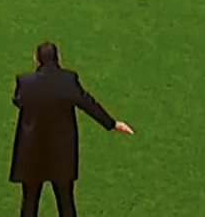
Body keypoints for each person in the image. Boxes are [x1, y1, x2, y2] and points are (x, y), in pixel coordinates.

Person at [10, 41, 133, 217]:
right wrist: (112, 123)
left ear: (37, 60)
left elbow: (18, 100)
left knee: (29, 202)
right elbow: (88, 103)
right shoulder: (68, 80)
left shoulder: (25, 82)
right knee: (66, 202)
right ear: (58, 58)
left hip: (32, 153)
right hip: (62, 154)